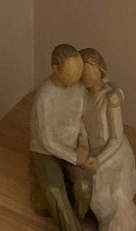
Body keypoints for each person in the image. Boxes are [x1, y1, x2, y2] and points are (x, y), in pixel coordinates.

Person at [29, 44, 93, 229]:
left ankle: (79, 219)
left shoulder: (79, 88)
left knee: (84, 187)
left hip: (73, 147)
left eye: (79, 71)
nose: (77, 78)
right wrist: (74, 158)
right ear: (56, 69)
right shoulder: (45, 96)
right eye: (71, 73)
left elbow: (81, 121)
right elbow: (46, 140)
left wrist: (83, 143)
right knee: (55, 192)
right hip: (45, 152)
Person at [77, 48, 136, 231]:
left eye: (90, 69)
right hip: (92, 153)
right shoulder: (82, 96)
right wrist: (83, 146)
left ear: (100, 69)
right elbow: (82, 129)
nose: (86, 76)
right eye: (82, 71)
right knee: (91, 191)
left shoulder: (110, 98)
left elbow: (116, 139)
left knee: (112, 195)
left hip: (113, 154)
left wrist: (99, 159)